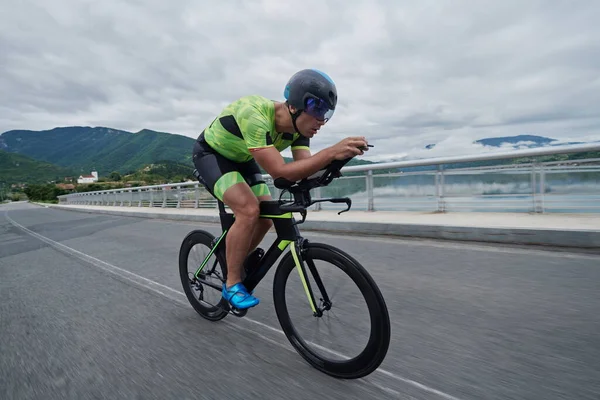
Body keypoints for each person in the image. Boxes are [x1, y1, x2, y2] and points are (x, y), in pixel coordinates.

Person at [192, 68, 369, 310]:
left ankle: (233, 259)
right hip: (211, 154)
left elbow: (301, 169)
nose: (321, 121)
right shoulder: (254, 113)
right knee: (248, 210)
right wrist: (330, 151)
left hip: (243, 159)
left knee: (266, 219)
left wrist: (332, 164)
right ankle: (231, 282)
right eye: (317, 109)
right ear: (296, 104)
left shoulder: (299, 131)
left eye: (326, 114)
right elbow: (280, 172)